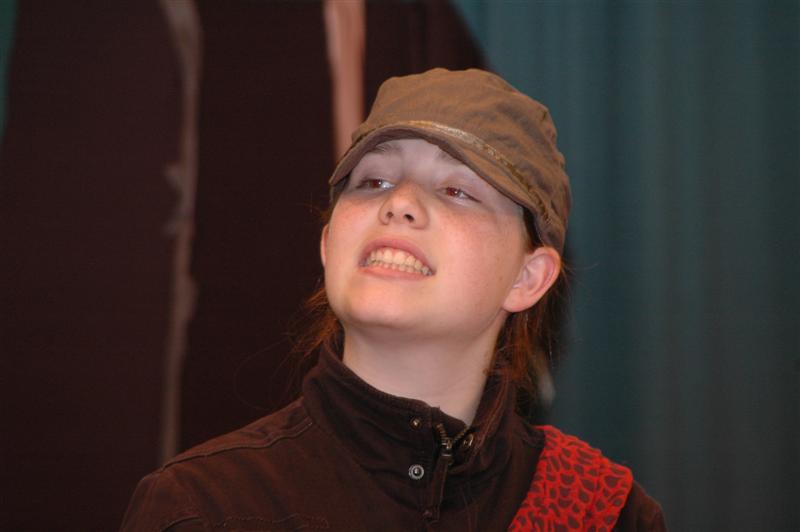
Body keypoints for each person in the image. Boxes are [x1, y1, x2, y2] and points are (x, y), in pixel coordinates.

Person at [121, 68, 666, 531]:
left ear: (528, 278)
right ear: (329, 244)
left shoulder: (607, 515)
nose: (400, 203)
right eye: (374, 182)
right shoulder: (201, 506)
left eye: (456, 190)